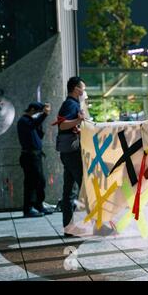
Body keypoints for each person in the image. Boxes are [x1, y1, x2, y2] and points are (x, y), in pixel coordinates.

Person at [55, 77, 86, 236]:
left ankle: (69, 227)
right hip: (72, 153)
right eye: (83, 88)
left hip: (67, 153)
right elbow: (62, 125)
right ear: (76, 89)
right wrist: (78, 120)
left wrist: (77, 127)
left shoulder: (71, 103)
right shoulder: (71, 104)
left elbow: (65, 126)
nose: (84, 91)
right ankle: (100, 224)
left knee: (69, 192)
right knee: (85, 189)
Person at [17, 102, 53, 218]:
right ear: (32, 110)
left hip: (36, 155)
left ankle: (38, 205)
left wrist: (40, 123)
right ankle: (28, 208)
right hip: (29, 156)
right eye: (37, 112)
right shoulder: (24, 121)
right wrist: (44, 115)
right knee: (31, 182)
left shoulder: (32, 122)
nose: (38, 115)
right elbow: (33, 125)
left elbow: (39, 134)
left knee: (40, 181)